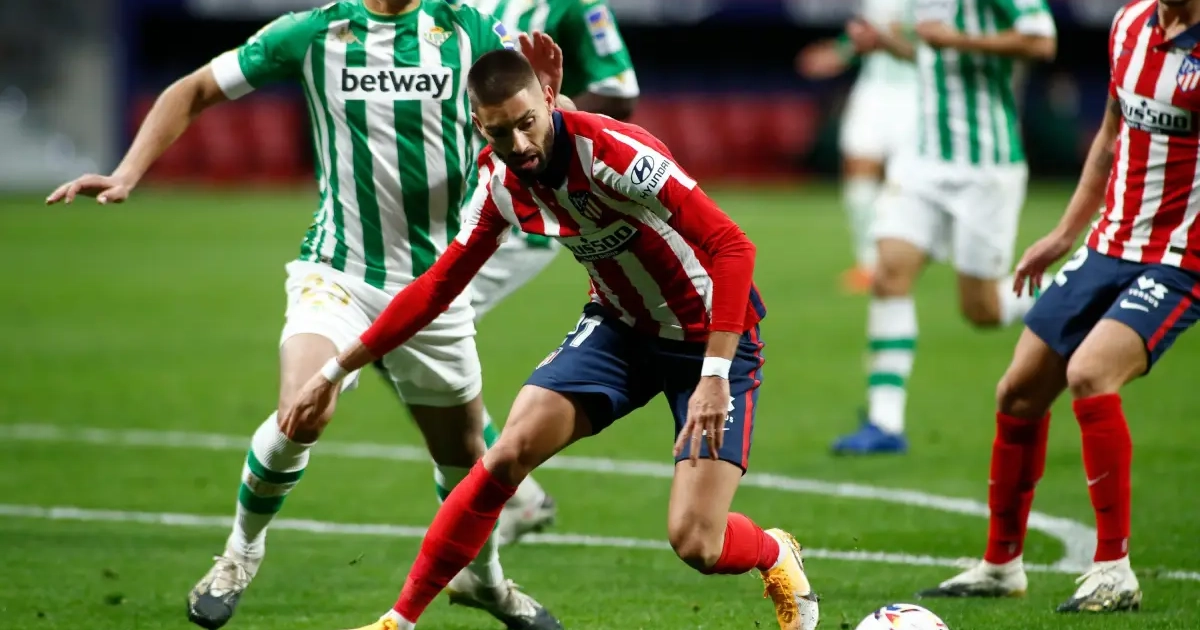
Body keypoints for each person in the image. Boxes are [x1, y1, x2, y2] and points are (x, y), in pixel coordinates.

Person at [44, 2, 570, 629]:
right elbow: (196, 88)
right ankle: (239, 556)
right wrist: (128, 172)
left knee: (464, 460)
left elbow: (532, 123)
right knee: (302, 409)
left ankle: (484, 582)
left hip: (435, 288)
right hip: (338, 272)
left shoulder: (469, 30)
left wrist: (551, 100)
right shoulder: (314, 32)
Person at [281, 49, 821, 630]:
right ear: (478, 124)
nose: (517, 144)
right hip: (618, 330)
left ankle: (774, 551)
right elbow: (436, 287)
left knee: (697, 543)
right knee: (506, 452)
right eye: (499, 132)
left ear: (547, 101)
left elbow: (733, 246)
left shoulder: (614, 153)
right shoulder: (500, 182)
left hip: (710, 342)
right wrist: (334, 371)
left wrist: (714, 375)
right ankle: (399, 620)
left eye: (527, 123)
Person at [917, 0, 1200, 612]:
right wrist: (1065, 234)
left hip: (1180, 258)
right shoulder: (1129, 25)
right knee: (1018, 390)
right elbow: (1110, 136)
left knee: (1091, 373)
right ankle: (1001, 565)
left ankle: (1114, 569)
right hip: (1108, 243)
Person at [439, 0, 641, 544]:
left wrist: (536, 122)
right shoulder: (453, 10)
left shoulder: (572, 7)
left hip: (524, 208)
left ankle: (502, 494)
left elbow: (620, 92)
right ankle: (508, 491)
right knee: (415, 345)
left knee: (422, 337)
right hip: (461, 200)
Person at [830, 0, 1058, 455]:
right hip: (922, 160)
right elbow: (931, 57)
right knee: (889, 273)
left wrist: (958, 39)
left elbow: (1042, 42)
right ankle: (885, 422)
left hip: (985, 166)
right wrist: (886, 44)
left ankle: (1072, 290)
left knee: (982, 309)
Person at [796, 0, 919, 294]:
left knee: (904, 181)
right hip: (874, 87)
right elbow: (865, 34)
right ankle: (868, 263)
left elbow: (934, 39)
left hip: (917, 89)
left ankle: (907, 256)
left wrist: (888, 38)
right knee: (859, 168)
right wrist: (839, 52)